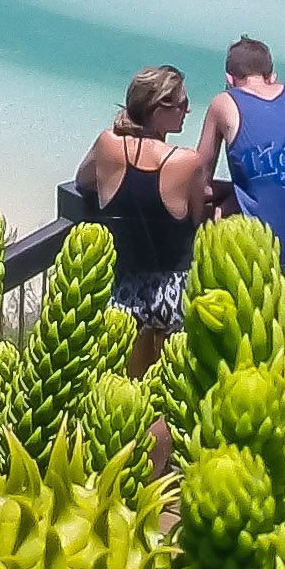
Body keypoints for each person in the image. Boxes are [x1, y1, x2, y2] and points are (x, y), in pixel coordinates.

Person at [189, 36, 285, 291]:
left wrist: (232, 194)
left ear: (229, 79)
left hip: (268, 250)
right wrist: (237, 191)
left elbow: (199, 180)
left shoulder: (223, 103)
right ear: (272, 76)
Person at [72, 65, 201, 366]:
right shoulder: (186, 161)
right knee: (169, 392)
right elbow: (196, 218)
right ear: (159, 109)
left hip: (124, 292)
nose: (188, 110)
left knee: (126, 387)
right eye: (182, 103)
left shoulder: (108, 144)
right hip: (174, 294)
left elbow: (83, 180)